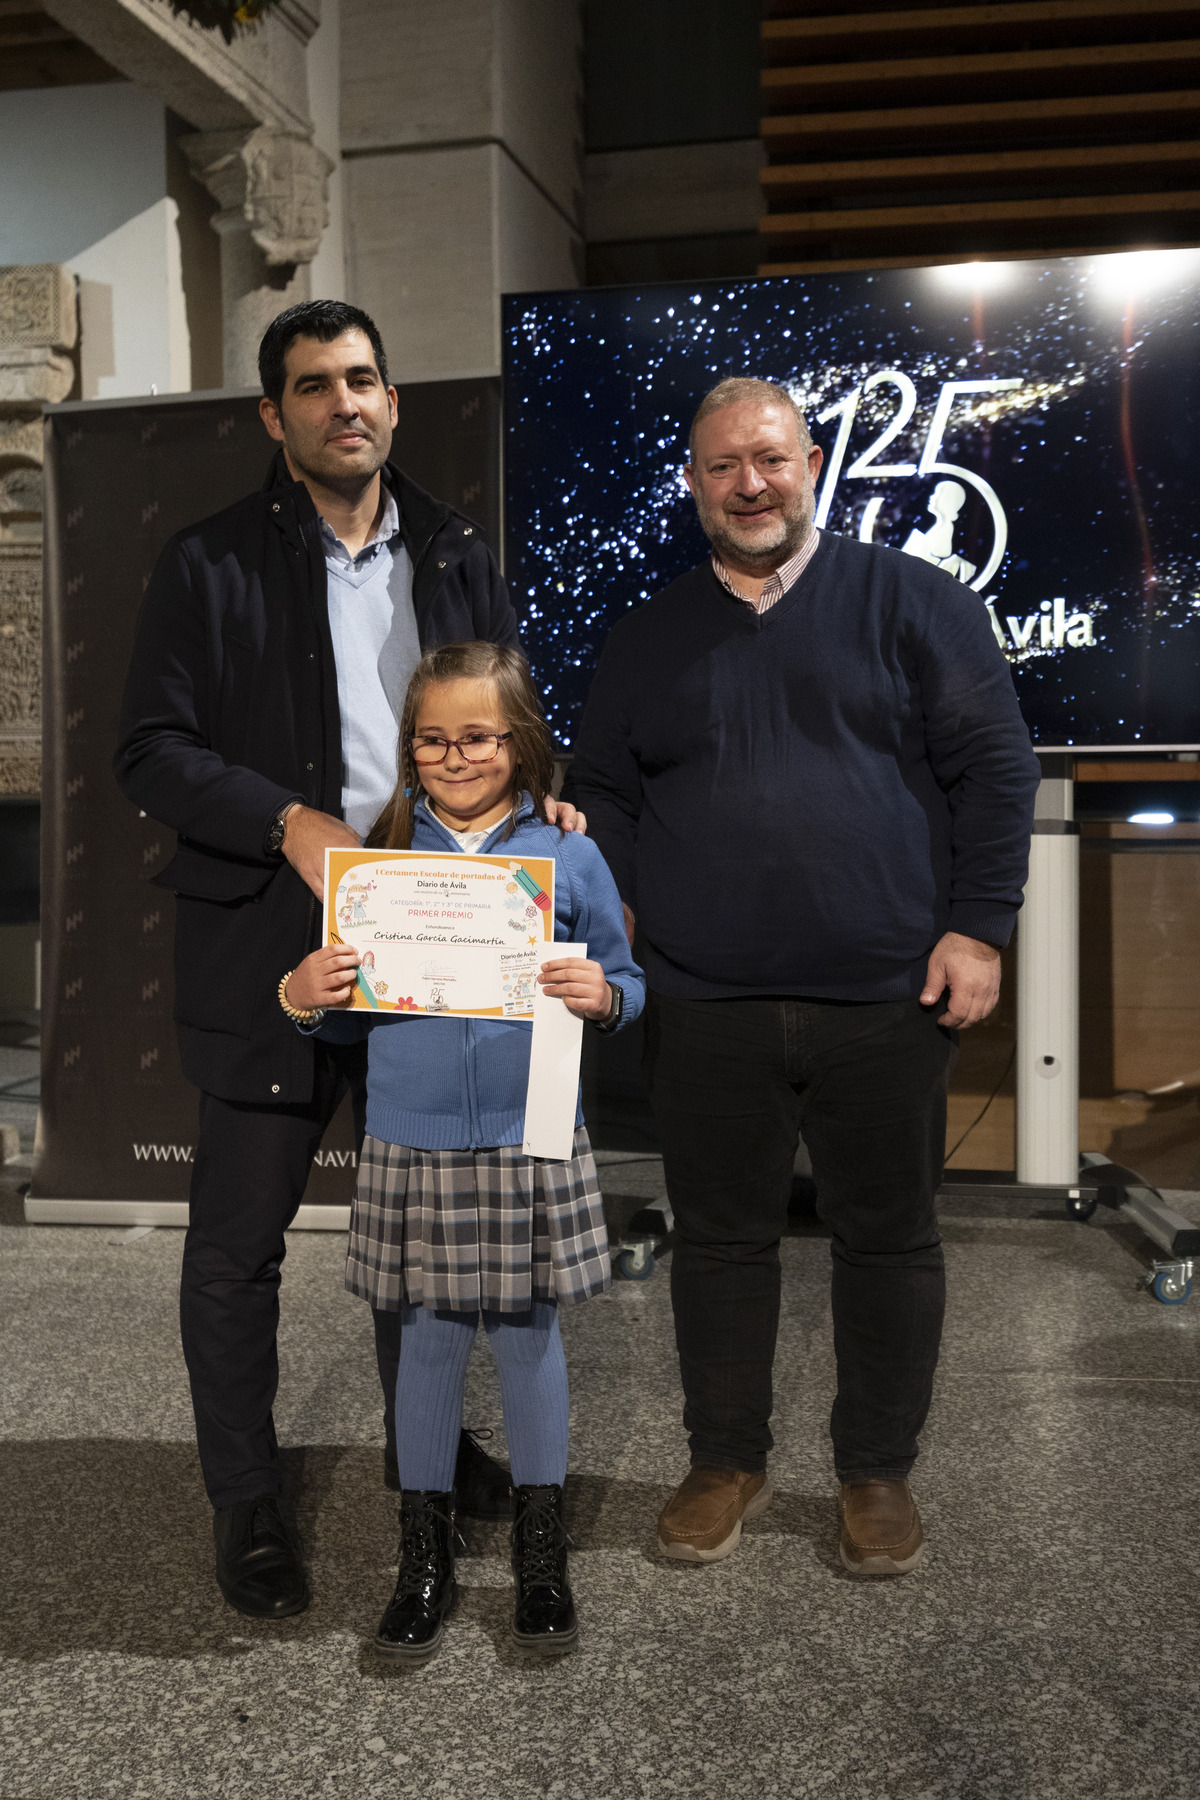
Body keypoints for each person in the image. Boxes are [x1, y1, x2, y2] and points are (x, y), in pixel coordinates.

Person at [113, 300, 583, 1620]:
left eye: (363, 378)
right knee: (238, 1251)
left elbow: (509, 714)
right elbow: (147, 748)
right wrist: (288, 820)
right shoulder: (205, 563)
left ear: (393, 399)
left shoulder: (454, 548)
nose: (345, 403)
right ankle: (246, 1499)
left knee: (422, 1233)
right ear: (277, 417)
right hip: (272, 934)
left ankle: (420, 1448)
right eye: (314, 386)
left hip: (434, 940)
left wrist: (547, 791)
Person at [568, 377, 1040, 1575]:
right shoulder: (647, 634)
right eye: (723, 466)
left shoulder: (916, 604)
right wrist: (609, 893)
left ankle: (877, 1474)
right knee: (720, 1241)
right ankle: (725, 1460)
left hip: (887, 996)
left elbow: (997, 770)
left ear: (812, 461)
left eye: (769, 460)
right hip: (704, 999)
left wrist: (979, 927)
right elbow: (607, 789)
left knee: (888, 1240)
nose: (750, 485)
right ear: (693, 482)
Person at [283, 641, 644, 1659]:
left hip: (534, 1128)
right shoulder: (379, 863)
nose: (454, 756)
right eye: (432, 739)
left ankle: (542, 1550)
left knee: (530, 1339)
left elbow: (625, 979)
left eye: (477, 736)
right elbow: (349, 1017)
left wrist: (607, 998)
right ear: (410, 749)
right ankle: (424, 1556)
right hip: (414, 1133)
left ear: (519, 743)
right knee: (430, 1344)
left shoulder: (569, 855)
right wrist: (304, 997)